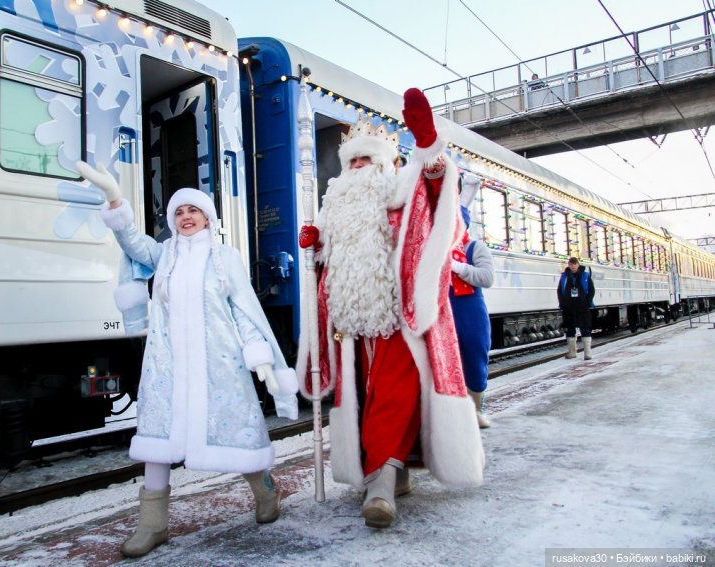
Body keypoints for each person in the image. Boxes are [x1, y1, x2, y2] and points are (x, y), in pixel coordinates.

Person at [76, 161, 299, 557]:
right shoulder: (164, 255)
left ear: (208, 217)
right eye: (178, 212)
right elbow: (130, 240)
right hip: (168, 367)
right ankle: (152, 525)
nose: (185, 217)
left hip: (220, 364)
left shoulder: (225, 257)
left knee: (237, 434)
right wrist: (115, 197)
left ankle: (265, 492)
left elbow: (243, 311)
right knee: (156, 442)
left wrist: (260, 358)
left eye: (193, 210)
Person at [296, 88, 484, 529]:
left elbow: (437, 199)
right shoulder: (336, 208)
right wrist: (317, 244)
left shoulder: (401, 197)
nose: (359, 169)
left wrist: (430, 149)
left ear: (385, 164)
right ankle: (389, 473)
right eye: (353, 162)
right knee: (363, 400)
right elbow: (330, 259)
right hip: (350, 327)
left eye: (367, 161)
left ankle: (380, 488)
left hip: (400, 318)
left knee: (393, 397)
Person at [450, 173, 495, 429]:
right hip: (442, 311)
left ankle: (476, 408)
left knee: (475, 357)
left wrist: (459, 268)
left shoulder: (474, 248)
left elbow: (487, 277)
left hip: (469, 311)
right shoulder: (434, 249)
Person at [557, 257, 596, 360]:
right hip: (569, 307)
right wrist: (562, 303)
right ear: (569, 265)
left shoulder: (585, 275)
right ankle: (572, 352)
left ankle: (587, 353)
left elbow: (591, 290)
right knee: (570, 329)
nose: (573, 266)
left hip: (582, 307)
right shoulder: (564, 276)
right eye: (571, 264)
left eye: (574, 264)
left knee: (585, 329)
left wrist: (587, 302)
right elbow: (560, 291)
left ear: (578, 264)